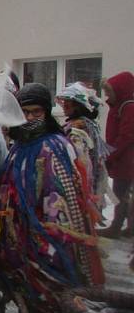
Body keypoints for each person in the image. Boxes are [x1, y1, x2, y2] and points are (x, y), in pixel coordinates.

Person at [0, 83, 104, 313]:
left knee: (52, 307)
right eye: (24, 112)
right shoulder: (19, 145)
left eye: (36, 111)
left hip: (51, 245)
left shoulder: (55, 146)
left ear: (46, 113)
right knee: (30, 306)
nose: (30, 118)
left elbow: (65, 198)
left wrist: (49, 238)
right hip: (22, 240)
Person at [56, 82, 110, 221]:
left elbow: (80, 159)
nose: (63, 107)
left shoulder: (77, 127)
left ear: (78, 106)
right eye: (64, 103)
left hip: (80, 176)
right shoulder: (87, 123)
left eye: (68, 104)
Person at [99, 71, 134, 238]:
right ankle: (128, 227)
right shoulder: (121, 105)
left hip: (126, 160)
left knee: (121, 194)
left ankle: (116, 227)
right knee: (124, 193)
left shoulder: (128, 107)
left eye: (109, 92)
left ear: (119, 90)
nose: (106, 95)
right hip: (122, 158)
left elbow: (126, 136)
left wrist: (110, 155)